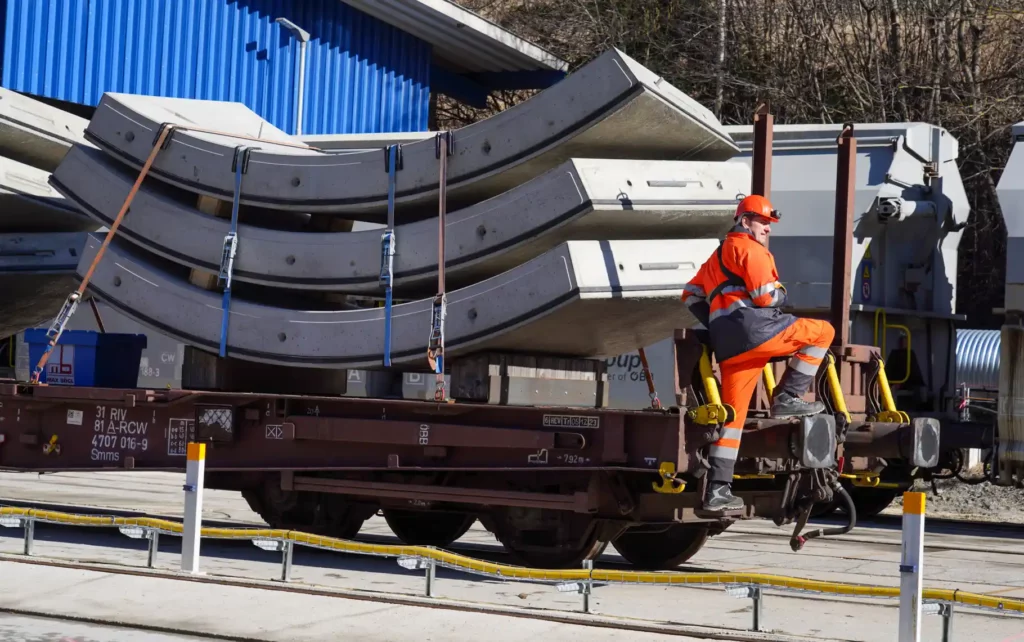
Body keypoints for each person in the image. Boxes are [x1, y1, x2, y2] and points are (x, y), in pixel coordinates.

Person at [680, 194, 836, 512]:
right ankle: (787, 397)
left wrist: (716, 324)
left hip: (731, 347)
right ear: (744, 221)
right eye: (763, 222)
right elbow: (765, 298)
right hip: (758, 332)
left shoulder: (717, 257)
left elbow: (689, 295)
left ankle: (718, 490)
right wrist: (781, 292)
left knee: (732, 419)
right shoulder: (753, 250)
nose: (767, 229)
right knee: (823, 332)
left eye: (769, 224)